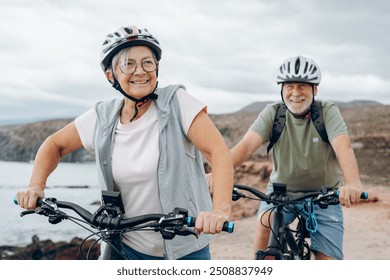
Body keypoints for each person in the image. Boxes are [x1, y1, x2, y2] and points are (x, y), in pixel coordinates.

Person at [16, 25, 234, 260]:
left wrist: (219, 210)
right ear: (111, 75)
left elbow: (218, 152)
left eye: (147, 63)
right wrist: (36, 186)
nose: (140, 71)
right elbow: (54, 144)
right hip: (123, 246)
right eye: (128, 64)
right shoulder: (103, 116)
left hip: (185, 249)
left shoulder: (178, 102)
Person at [230, 55, 363, 260]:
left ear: (314, 90)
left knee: (327, 261)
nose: (295, 93)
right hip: (281, 193)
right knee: (265, 228)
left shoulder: (327, 112)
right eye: (289, 86)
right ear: (281, 89)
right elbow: (246, 146)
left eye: (302, 86)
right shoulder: (273, 114)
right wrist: (218, 173)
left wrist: (353, 182)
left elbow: (343, 146)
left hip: (325, 195)